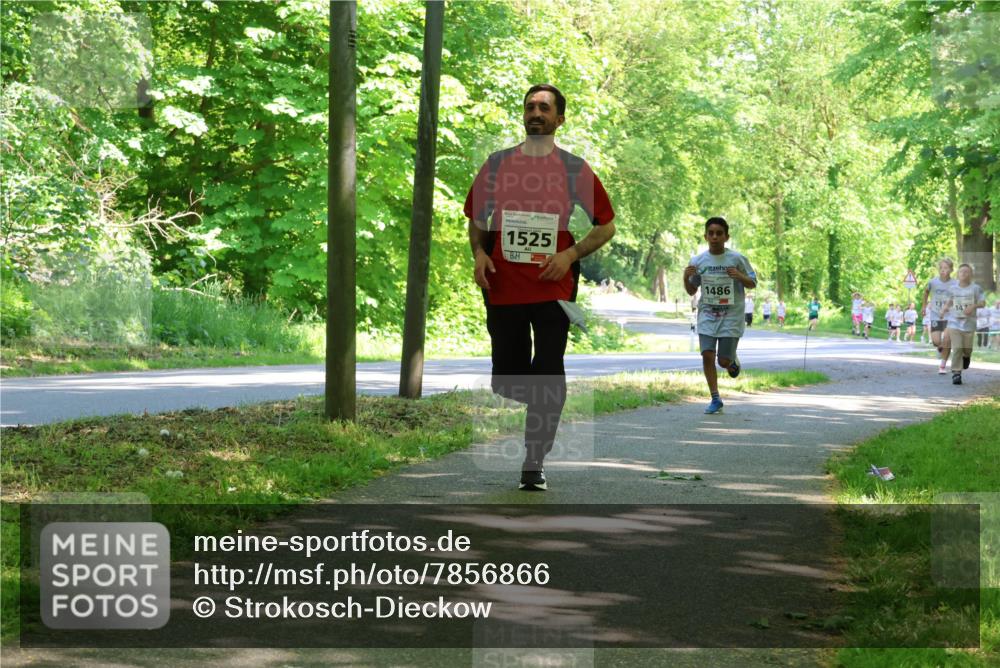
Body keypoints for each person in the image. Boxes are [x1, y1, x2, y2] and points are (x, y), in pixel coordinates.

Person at [465, 83, 615, 491]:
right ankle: (547, 398)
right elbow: (477, 219)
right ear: (523, 114)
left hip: (554, 285)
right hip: (504, 285)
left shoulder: (573, 169)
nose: (536, 112)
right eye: (530, 106)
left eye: (544, 108)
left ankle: (534, 461)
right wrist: (479, 254)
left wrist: (569, 255)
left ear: (559, 119)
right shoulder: (496, 165)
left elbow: (606, 225)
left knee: (548, 372)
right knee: (507, 379)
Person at [683, 217, 757, 415]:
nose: (715, 237)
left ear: (726, 237)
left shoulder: (737, 259)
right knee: (707, 355)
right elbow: (692, 290)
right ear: (705, 236)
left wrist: (739, 276)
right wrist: (685, 276)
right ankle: (715, 398)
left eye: (719, 233)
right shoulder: (698, 261)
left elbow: (752, 282)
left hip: (731, 316)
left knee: (722, 361)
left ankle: (732, 361)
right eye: (711, 233)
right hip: (707, 313)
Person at [941, 263, 986, 385]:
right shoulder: (953, 289)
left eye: (967, 272)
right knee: (957, 348)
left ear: (971, 274)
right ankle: (956, 373)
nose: (964, 274)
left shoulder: (976, 288)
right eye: (961, 272)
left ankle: (966, 357)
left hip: (969, 324)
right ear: (958, 274)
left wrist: (973, 306)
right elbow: (949, 301)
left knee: (967, 349)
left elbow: (983, 302)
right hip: (954, 323)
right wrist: (944, 309)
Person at [921, 258, 957, 375]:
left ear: (951, 270)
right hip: (936, 315)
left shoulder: (955, 283)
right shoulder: (933, 282)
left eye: (946, 268)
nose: (943, 270)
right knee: (936, 341)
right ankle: (941, 348)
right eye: (941, 268)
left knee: (947, 339)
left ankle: (942, 366)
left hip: (950, 316)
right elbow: (926, 292)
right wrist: (924, 306)